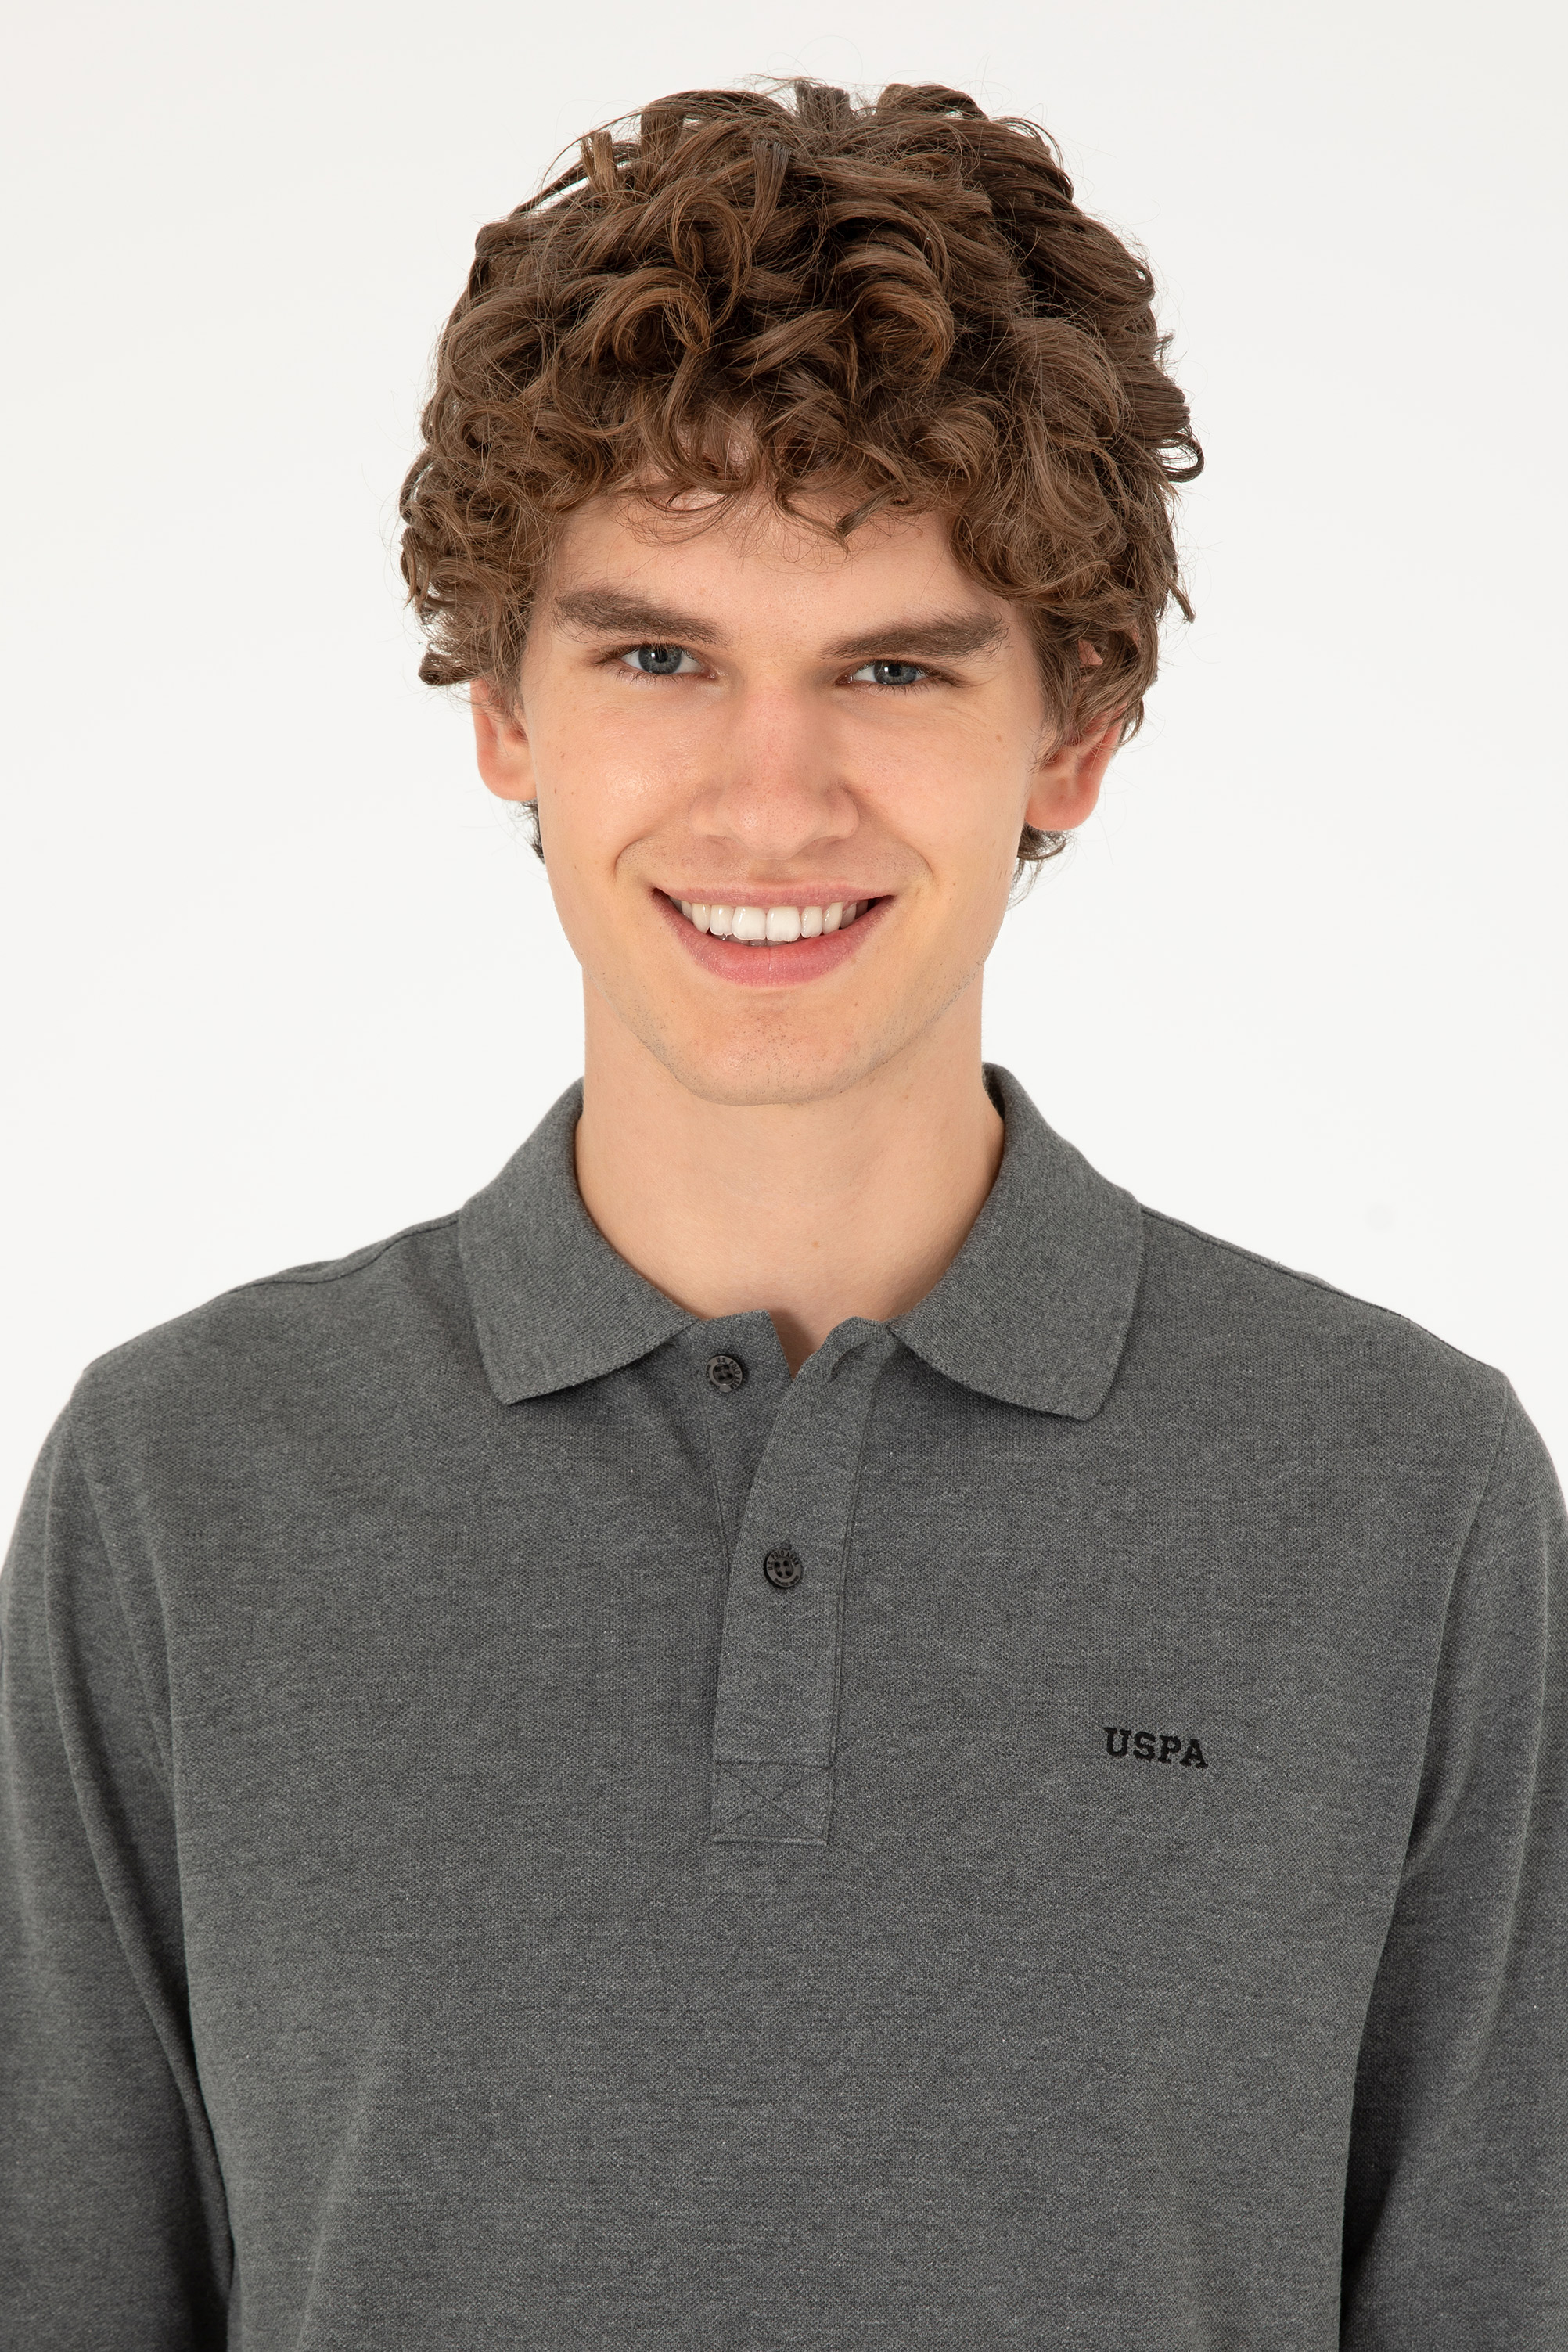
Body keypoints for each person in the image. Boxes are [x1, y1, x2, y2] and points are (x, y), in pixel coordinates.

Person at [2, 76, 1563, 2350]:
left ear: (1074, 735)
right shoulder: (183, 1486)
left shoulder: (1400, 1498)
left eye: (892, 669)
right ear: (504, 712)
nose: (770, 800)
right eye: (658, 657)